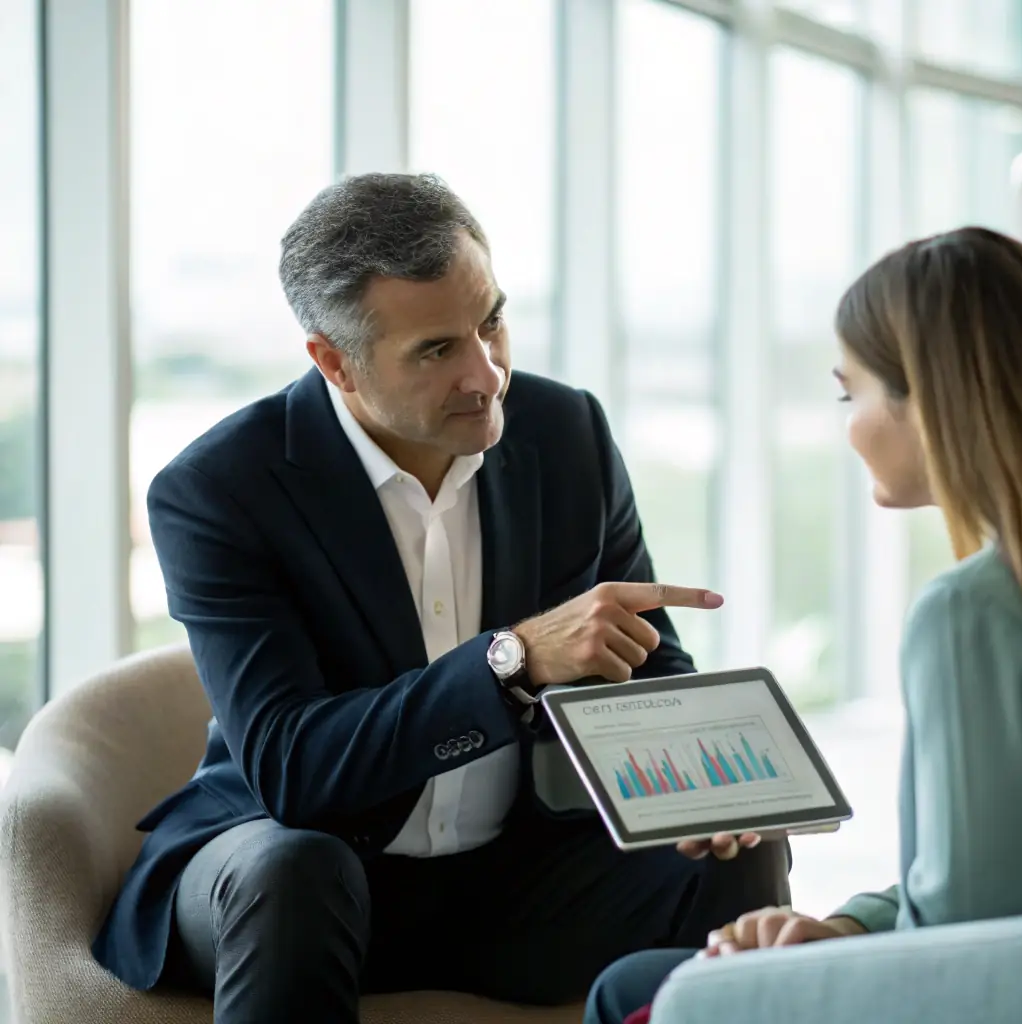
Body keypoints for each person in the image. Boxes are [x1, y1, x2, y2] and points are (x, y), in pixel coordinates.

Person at [91, 172, 790, 1023]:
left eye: (491, 321)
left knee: (739, 846)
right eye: (436, 350)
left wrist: (700, 792)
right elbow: (293, 768)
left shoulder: (565, 434)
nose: (486, 374)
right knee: (293, 870)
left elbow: (643, 664)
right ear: (334, 362)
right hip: (295, 872)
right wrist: (512, 660)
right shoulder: (220, 489)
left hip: (513, 879)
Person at [583, 226, 1022, 1024]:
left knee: (634, 991)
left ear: (932, 400)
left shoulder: (973, 612)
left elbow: (962, 931)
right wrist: (847, 927)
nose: (848, 427)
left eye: (853, 394)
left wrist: (845, 952)